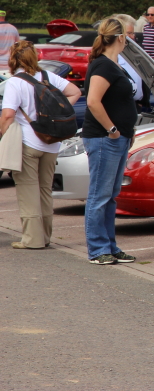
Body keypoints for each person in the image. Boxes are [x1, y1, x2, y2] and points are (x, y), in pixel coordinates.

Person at [1, 41, 81, 250]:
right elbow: (75, 92)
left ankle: (32, 239)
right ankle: (45, 236)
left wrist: (2, 134)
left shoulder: (15, 83)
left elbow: (8, 115)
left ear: (13, 59)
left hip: (28, 143)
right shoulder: (48, 77)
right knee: (45, 190)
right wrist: (57, 113)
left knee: (28, 191)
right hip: (51, 143)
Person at [82, 17, 139, 265]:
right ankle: (97, 249)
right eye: (129, 35)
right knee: (99, 196)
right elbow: (93, 101)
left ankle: (109, 246)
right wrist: (112, 129)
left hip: (118, 138)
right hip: (104, 139)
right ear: (121, 37)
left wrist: (125, 131)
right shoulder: (104, 66)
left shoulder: (114, 65)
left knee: (110, 196)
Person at [114, 14, 149, 112]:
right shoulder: (110, 57)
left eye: (133, 33)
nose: (132, 37)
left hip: (135, 106)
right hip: (120, 108)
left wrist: (142, 101)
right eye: (129, 33)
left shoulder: (134, 52)